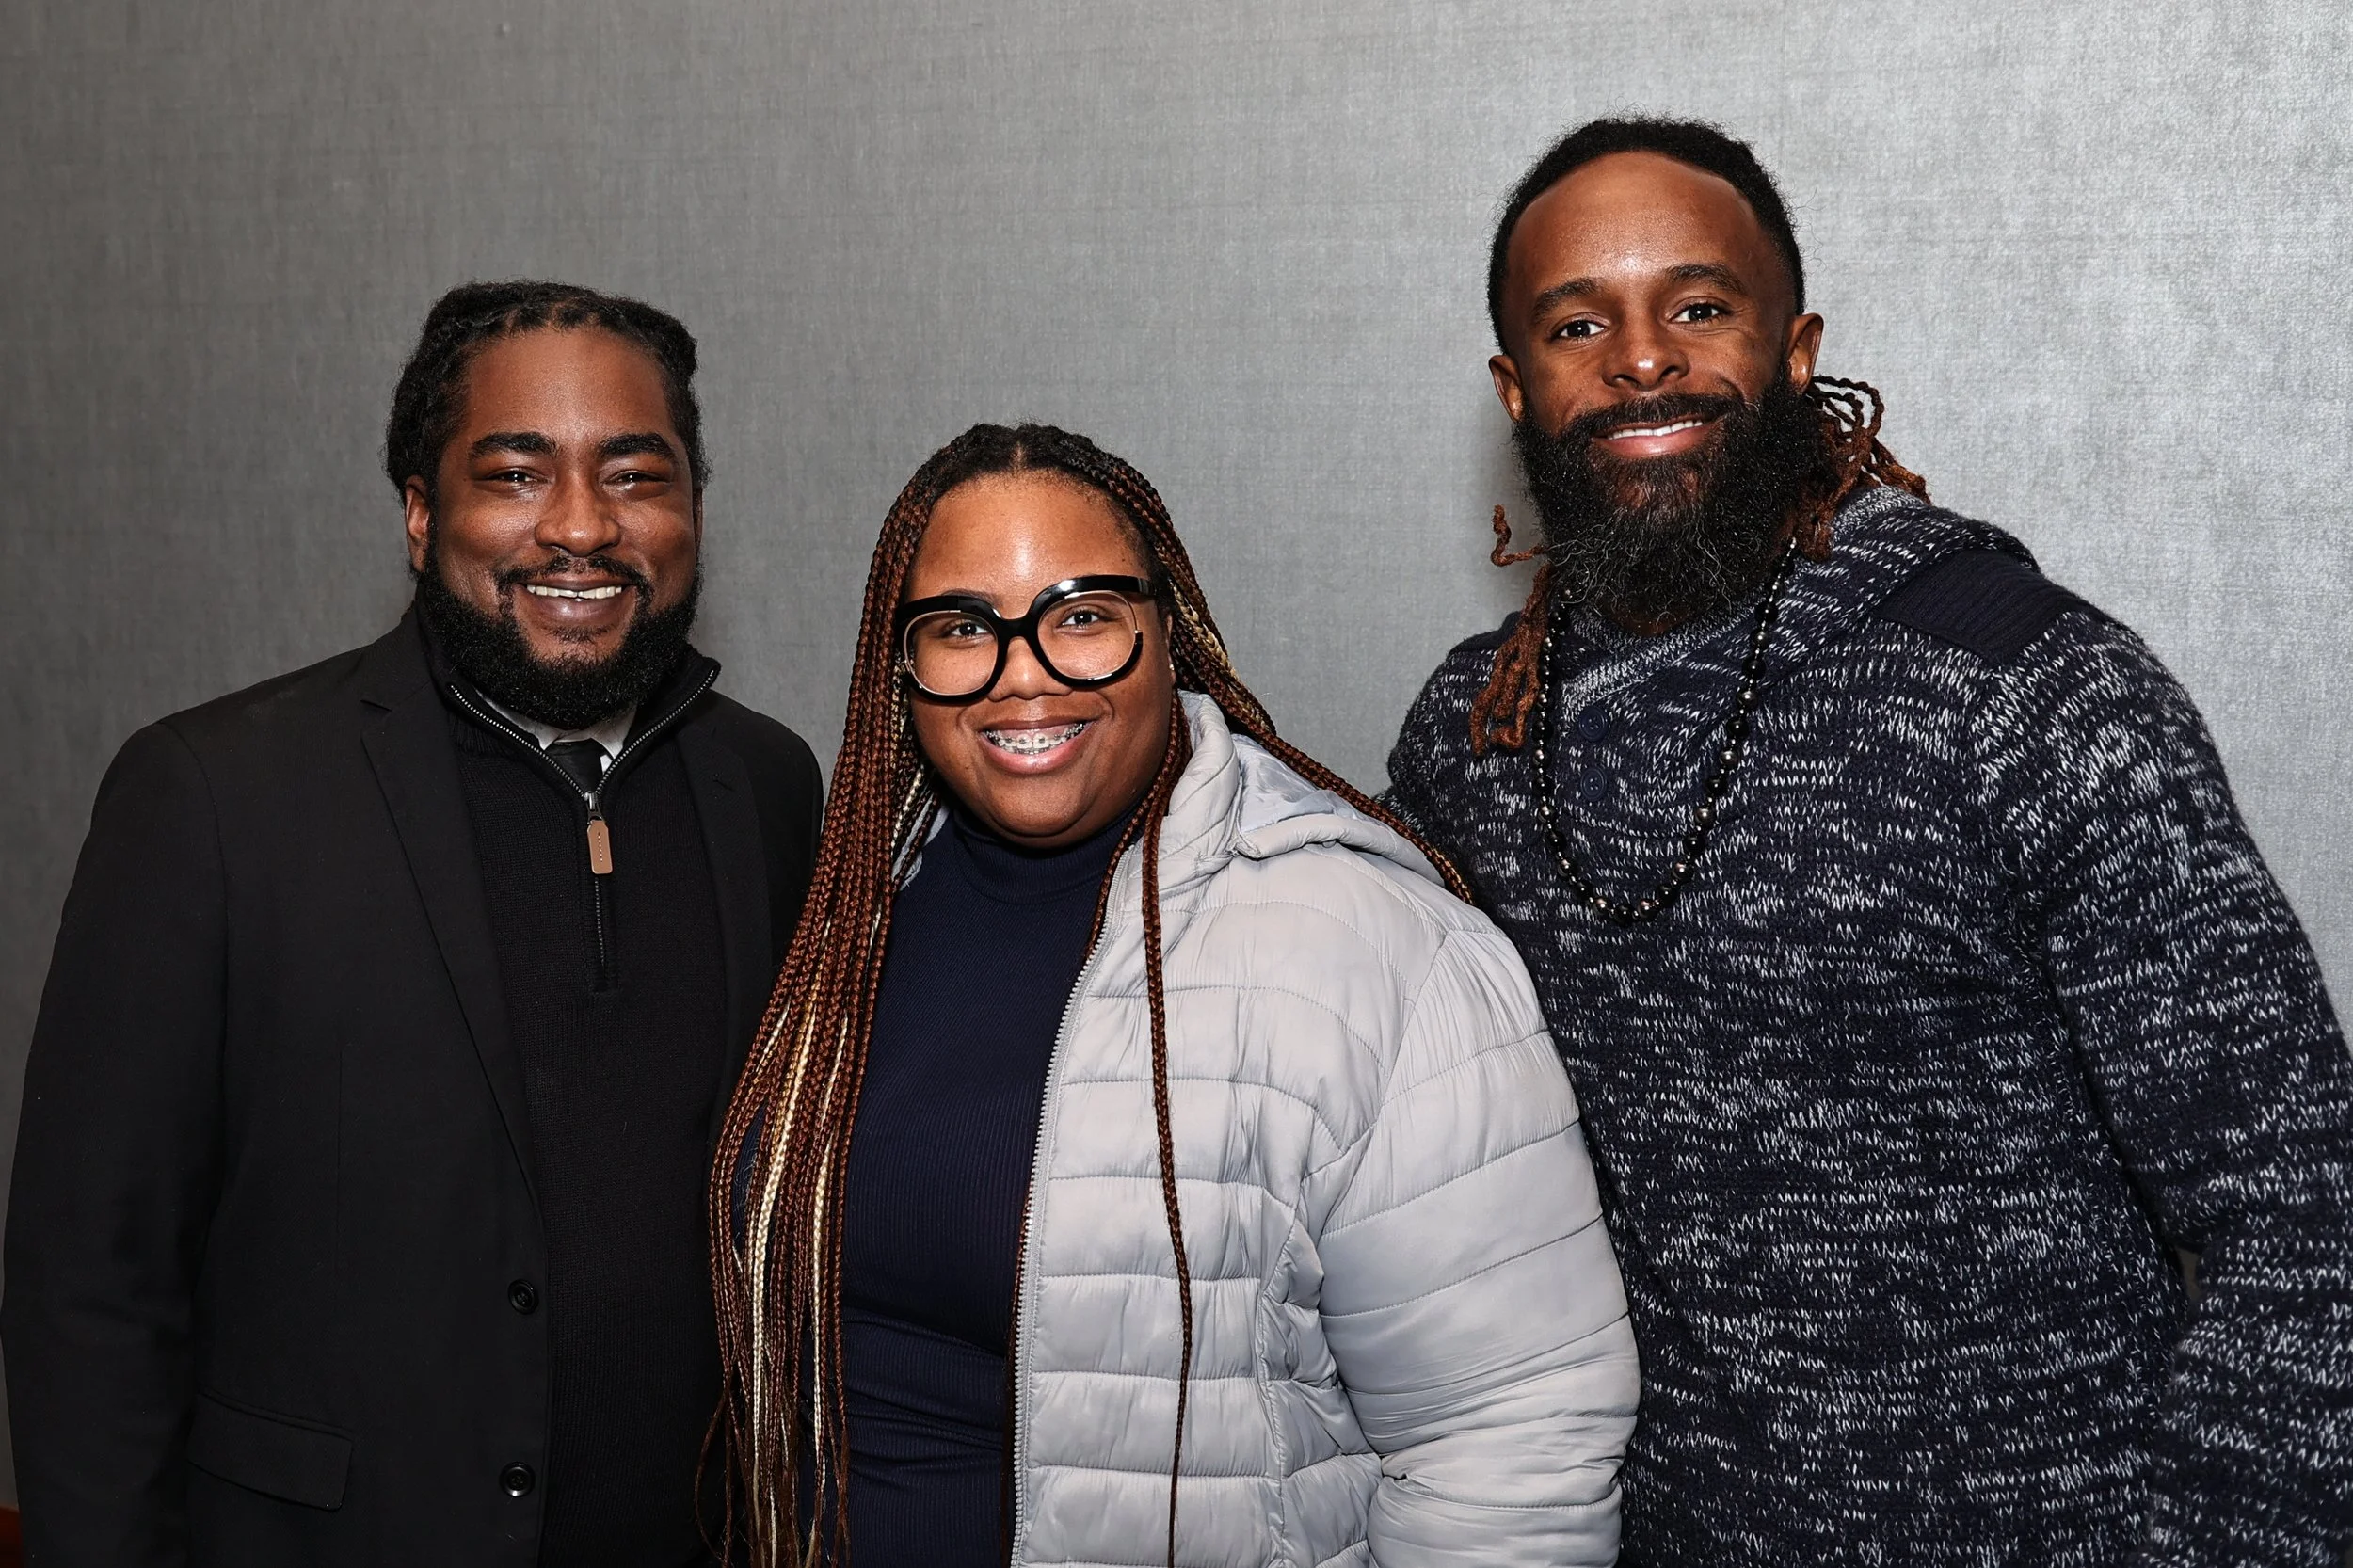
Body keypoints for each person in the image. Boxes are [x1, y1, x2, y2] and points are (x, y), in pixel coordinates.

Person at [1384, 117, 2353, 1564]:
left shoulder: (2026, 683)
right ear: (1518, 388)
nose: (1643, 357)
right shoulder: (1475, 734)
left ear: (1793, 351)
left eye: (1698, 307)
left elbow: (2303, 1222)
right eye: (1581, 322)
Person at [713, 423, 1637, 1567]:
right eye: (961, 629)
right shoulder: (846, 913)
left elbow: (1511, 1442)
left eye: (1083, 615)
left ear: (1170, 632)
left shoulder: (1370, 946)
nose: (1023, 673)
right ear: (899, 665)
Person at [5, 280, 823, 1567]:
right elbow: (89, 1282)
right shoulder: (216, 796)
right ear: (420, 512)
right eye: (515, 472)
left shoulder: (768, 786)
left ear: (692, 511)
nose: (580, 527)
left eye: (634, 475)